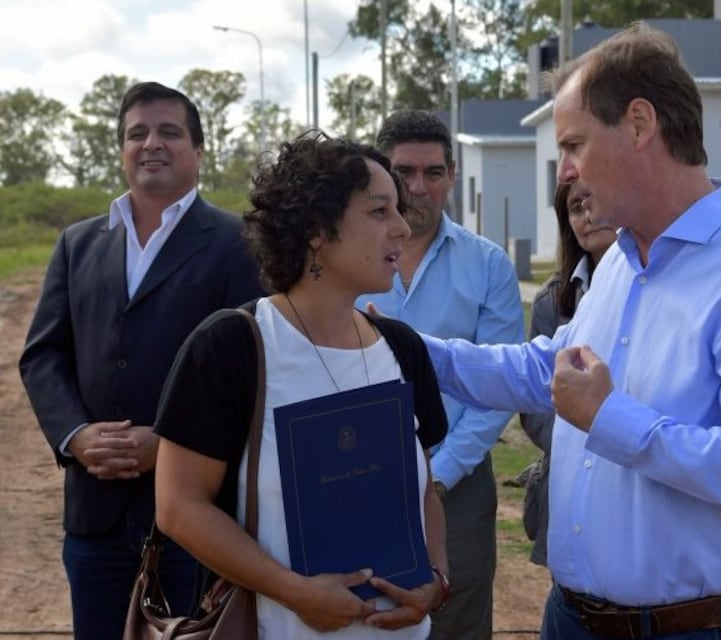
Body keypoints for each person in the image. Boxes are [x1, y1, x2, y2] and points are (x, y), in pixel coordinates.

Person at [417, 22, 721, 639]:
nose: (564, 172)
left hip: (700, 628)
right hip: (573, 617)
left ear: (641, 125)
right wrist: (409, 350)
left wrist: (609, 417)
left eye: (574, 145)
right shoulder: (620, 261)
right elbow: (552, 372)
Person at [153, 132, 451, 638]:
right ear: (316, 229)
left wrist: (436, 580)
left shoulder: (402, 349)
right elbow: (178, 508)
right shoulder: (233, 347)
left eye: (398, 211)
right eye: (380, 212)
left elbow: (422, 492)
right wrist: (293, 592)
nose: (402, 228)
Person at [17, 81, 265, 640]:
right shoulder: (78, 244)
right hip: (94, 516)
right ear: (123, 149)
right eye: (138, 133)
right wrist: (76, 435)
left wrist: (173, 444)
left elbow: (252, 371)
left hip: (195, 522)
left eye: (169, 132)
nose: (152, 143)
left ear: (199, 151)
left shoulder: (238, 243)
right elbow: (43, 356)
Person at [358, 110, 524, 640]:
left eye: (433, 172)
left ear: (453, 175)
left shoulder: (488, 264)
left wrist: (440, 472)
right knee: (363, 615)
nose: (417, 187)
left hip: (458, 483)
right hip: (354, 474)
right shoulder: (345, 262)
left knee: (457, 616)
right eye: (403, 172)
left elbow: (498, 389)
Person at [518, 181, 616, 566]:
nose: (587, 216)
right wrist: (597, 437)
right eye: (575, 208)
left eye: (594, 202)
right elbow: (535, 406)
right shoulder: (551, 301)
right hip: (571, 482)